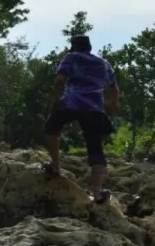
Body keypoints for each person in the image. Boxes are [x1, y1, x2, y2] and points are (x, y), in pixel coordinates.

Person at [43, 34, 120, 203]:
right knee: (96, 147)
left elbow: (60, 80)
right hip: (94, 108)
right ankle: (97, 193)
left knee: (52, 127)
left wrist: (55, 100)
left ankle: (55, 166)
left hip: (72, 102)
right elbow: (114, 87)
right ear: (90, 47)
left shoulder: (72, 57)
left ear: (73, 47)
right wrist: (114, 103)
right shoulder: (103, 63)